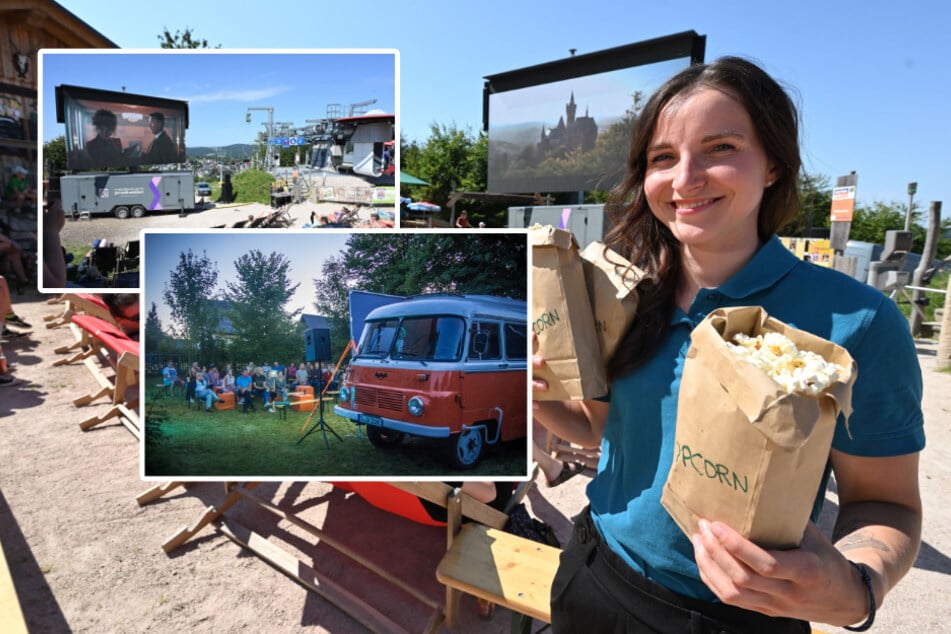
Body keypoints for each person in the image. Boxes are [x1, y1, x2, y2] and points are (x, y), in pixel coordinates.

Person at [533, 57, 924, 633]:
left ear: (772, 166)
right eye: (662, 158)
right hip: (591, 574)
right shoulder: (626, 294)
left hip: (731, 619)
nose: (686, 178)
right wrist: (537, 395)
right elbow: (599, 428)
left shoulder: (859, 322)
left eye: (720, 148)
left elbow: (886, 505)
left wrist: (858, 584)